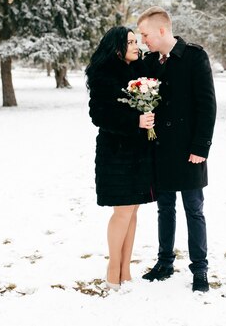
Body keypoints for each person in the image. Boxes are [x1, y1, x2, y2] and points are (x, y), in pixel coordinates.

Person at [137, 6, 217, 292]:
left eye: (145, 34)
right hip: (161, 150)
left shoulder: (195, 57)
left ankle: (200, 270)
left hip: (189, 151)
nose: (143, 39)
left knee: (194, 209)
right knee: (165, 208)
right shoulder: (149, 63)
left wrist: (201, 147)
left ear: (161, 30)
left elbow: (207, 106)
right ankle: (165, 262)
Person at [85, 26, 157, 290]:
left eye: (137, 40)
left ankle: (126, 269)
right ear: (117, 48)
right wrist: (135, 121)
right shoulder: (103, 75)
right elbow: (99, 115)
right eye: (130, 42)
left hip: (138, 152)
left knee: (133, 209)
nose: (136, 45)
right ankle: (112, 271)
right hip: (115, 153)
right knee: (122, 211)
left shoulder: (139, 71)